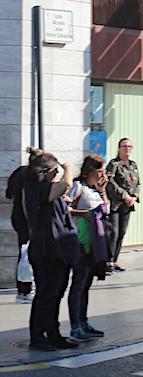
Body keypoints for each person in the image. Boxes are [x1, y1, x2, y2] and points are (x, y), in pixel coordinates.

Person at [24, 153, 81, 351]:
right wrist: (69, 170)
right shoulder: (37, 189)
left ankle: (53, 334)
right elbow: (63, 186)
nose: (58, 173)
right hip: (46, 249)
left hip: (58, 249)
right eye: (55, 171)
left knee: (56, 294)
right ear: (47, 172)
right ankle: (38, 337)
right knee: (46, 294)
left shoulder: (46, 189)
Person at [66, 155, 109, 342]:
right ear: (89, 172)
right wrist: (84, 214)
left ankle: (84, 322)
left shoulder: (94, 190)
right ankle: (75, 326)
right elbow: (64, 209)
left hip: (94, 244)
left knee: (86, 285)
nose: (102, 175)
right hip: (80, 242)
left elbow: (106, 209)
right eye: (100, 172)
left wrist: (102, 190)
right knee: (78, 285)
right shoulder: (78, 188)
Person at [6, 147, 42, 303]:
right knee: (29, 253)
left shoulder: (18, 172)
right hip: (27, 218)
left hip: (17, 216)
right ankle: (25, 289)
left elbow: (8, 194)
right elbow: (24, 199)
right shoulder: (32, 176)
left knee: (23, 251)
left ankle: (24, 288)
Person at [106, 138, 139, 273]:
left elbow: (138, 183)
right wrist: (124, 195)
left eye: (130, 146)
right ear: (119, 148)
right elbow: (110, 182)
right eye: (125, 146)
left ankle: (115, 260)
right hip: (116, 204)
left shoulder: (133, 165)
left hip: (128, 204)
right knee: (113, 232)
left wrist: (134, 196)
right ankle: (108, 262)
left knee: (122, 232)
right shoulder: (114, 164)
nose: (127, 149)